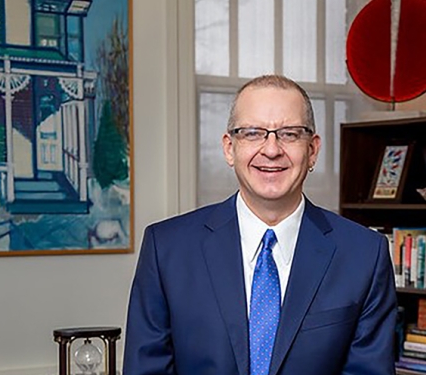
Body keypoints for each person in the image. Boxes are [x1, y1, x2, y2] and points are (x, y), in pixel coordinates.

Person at [123, 74, 397, 375]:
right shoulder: (167, 249)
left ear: (313, 150)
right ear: (230, 148)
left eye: (289, 134)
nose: (271, 149)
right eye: (253, 133)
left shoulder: (364, 255)